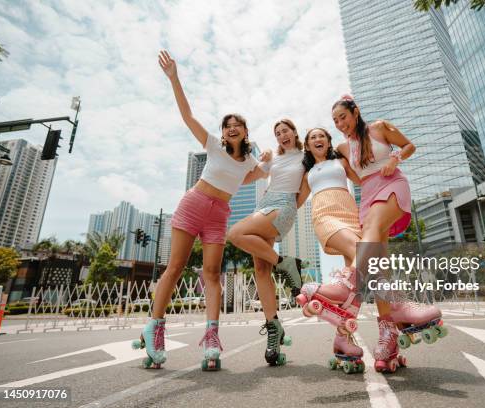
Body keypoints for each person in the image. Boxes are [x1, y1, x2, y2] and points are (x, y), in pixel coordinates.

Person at [133, 50, 263, 371]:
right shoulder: (213, 145)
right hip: (193, 205)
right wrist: (175, 78)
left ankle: (211, 338)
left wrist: (285, 156)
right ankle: (154, 329)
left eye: (238, 125)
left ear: (246, 131)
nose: (232, 128)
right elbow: (188, 115)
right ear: (224, 132)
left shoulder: (249, 162)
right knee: (175, 267)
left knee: (212, 274)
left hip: (219, 216)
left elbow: (270, 171)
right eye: (227, 125)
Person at [331, 94, 445, 373]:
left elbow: (409, 146)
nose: (340, 124)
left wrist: (394, 158)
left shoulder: (379, 128)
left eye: (343, 117)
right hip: (367, 194)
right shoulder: (344, 147)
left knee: (370, 230)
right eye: (335, 121)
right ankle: (388, 336)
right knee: (379, 268)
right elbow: (357, 178)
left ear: (355, 112)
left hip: (392, 185)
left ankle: (348, 279)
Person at [227, 119, 305, 366]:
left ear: (294, 133)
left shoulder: (305, 157)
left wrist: (292, 208)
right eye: (278, 133)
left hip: (283, 205)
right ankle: (274, 329)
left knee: (235, 233)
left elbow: (306, 187)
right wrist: (261, 160)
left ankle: (286, 263)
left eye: (286, 131)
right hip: (263, 205)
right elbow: (248, 178)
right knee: (261, 270)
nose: (282, 135)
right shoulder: (274, 159)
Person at [295, 127, 365, 374]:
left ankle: (343, 339)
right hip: (324, 214)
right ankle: (328, 288)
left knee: (359, 282)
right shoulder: (308, 173)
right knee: (363, 253)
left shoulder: (340, 161)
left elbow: (362, 178)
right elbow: (295, 202)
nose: (317, 139)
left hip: (350, 212)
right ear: (307, 144)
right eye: (312, 136)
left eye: (321, 135)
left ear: (328, 141)